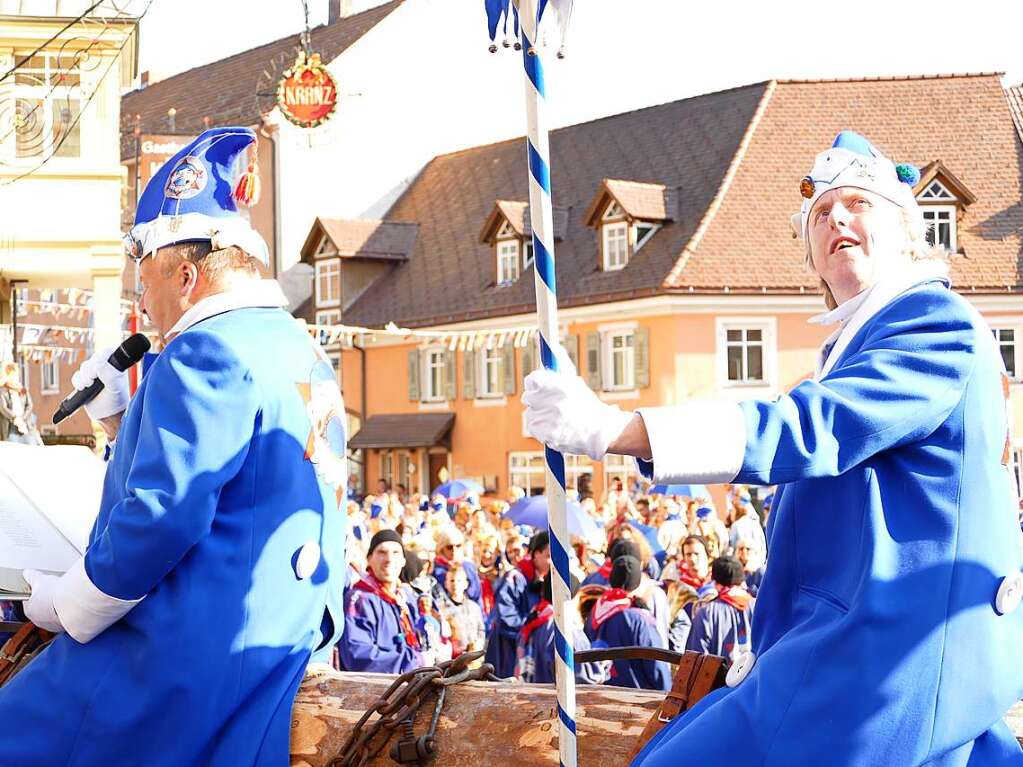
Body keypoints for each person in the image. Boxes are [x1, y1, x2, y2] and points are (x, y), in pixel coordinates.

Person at [524, 130, 1023, 765]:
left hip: (884, 673)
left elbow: (808, 428)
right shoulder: (860, 344)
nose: (836, 216)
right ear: (811, 256)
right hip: (857, 661)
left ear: (905, 230)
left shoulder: (934, 324)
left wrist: (613, 431)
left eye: (858, 203)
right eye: (820, 212)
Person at [0, 127, 347, 767]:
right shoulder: (292, 343)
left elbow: (166, 514)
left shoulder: (203, 348)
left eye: (148, 278)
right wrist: (120, 417)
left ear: (185, 275)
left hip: (205, 637)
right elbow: (241, 473)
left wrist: (70, 604)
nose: (143, 297)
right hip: (286, 623)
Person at [341, 530, 423, 674]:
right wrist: (414, 662)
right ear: (369, 559)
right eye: (382, 552)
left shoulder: (405, 598)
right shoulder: (360, 599)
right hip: (378, 691)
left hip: (410, 685)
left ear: (404, 560)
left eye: (396, 553)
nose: (389, 559)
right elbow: (358, 656)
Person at [585, 555, 670, 692]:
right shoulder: (640, 619)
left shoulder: (595, 611)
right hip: (639, 701)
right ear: (637, 581)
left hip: (603, 695)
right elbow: (657, 667)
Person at [485, 530, 550, 678]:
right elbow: (505, 616)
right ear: (535, 553)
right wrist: (531, 630)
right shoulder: (514, 578)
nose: (552, 562)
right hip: (508, 650)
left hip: (528, 650)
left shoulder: (543, 580)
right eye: (548, 556)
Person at [686, 556, 754, 665]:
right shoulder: (756, 605)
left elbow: (697, 656)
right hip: (755, 678)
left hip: (720, 680)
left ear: (714, 580)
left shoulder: (706, 613)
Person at [440, 562, 485, 657]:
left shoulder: (474, 607)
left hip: (473, 657)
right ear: (446, 584)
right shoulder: (442, 609)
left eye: (459, 581)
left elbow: (481, 630)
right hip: (452, 659)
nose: (455, 584)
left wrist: (478, 645)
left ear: (466, 584)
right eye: (452, 581)